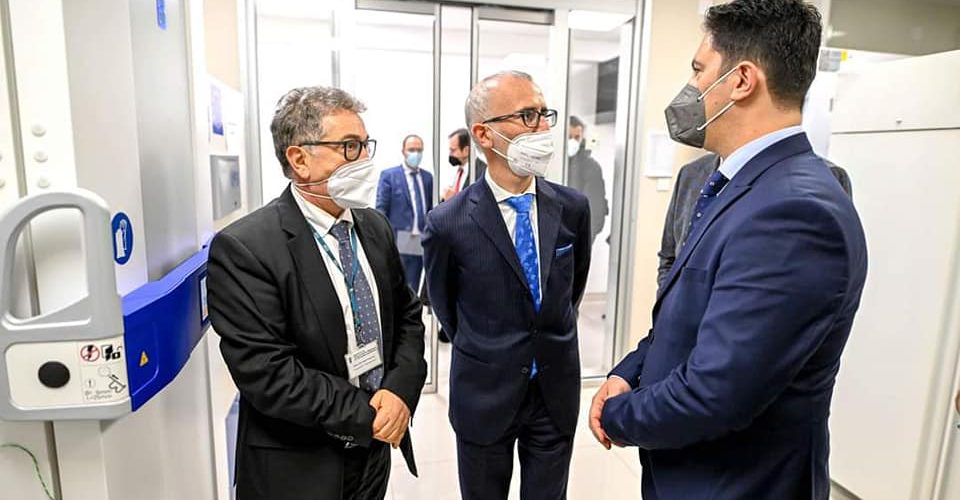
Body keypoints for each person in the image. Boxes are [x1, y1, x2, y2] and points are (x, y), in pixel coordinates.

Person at [589, 2, 868, 499]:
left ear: (741, 80)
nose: (690, 86)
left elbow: (716, 392)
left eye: (698, 70)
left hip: (737, 483)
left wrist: (616, 415)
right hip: (692, 469)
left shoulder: (796, 212)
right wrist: (628, 373)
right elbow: (686, 318)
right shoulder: (734, 184)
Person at [207, 86, 427, 500]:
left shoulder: (373, 226)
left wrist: (399, 392)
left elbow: (408, 316)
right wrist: (367, 414)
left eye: (365, 145)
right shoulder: (245, 248)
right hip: (300, 466)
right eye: (349, 147)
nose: (364, 160)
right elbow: (267, 372)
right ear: (299, 159)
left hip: (374, 451)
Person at [423, 71, 592, 500]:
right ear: (484, 134)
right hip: (484, 393)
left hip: (554, 391)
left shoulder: (572, 207)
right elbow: (447, 308)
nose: (543, 127)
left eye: (545, 114)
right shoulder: (447, 223)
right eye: (527, 115)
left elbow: (571, 291)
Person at [656, 154, 853, 290]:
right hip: (680, 332)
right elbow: (669, 257)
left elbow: (823, 280)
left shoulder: (822, 178)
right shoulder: (692, 173)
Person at [376, 134, 434, 290]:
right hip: (399, 237)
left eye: (419, 150)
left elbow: (430, 208)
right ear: (403, 151)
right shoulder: (389, 176)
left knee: (416, 284)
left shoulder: (427, 178)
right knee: (398, 284)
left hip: (420, 237)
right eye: (411, 150)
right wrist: (384, 240)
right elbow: (381, 209)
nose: (416, 154)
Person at [567, 116, 608, 245]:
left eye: (576, 137)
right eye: (569, 137)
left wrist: (586, 238)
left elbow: (595, 207)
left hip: (579, 236)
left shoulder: (591, 167)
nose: (573, 142)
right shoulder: (550, 164)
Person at [443, 128, 487, 201]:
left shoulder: (483, 173)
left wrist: (453, 200)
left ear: (466, 150)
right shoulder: (458, 171)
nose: (450, 154)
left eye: (453, 150)